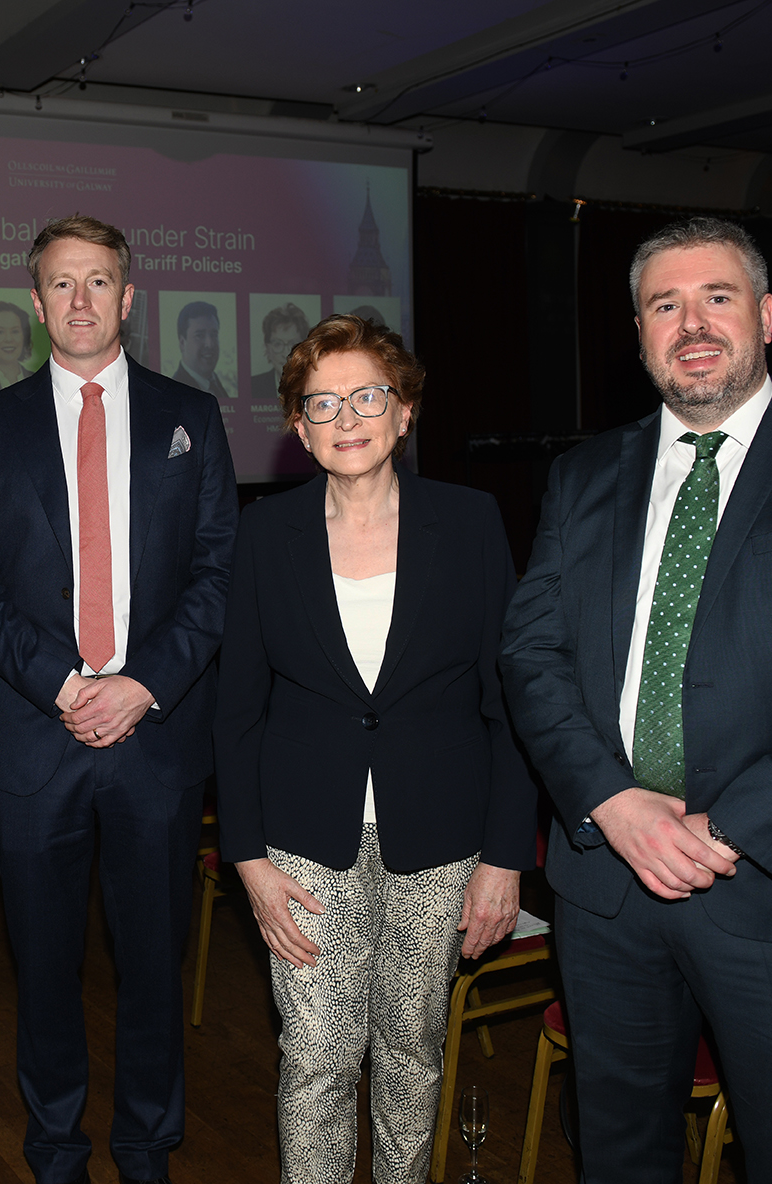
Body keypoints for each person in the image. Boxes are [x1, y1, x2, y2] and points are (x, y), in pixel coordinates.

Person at [500, 217, 772, 1183]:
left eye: (718, 297)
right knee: (618, 1151)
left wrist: (729, 826)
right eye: (666, 304)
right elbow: (531, 654)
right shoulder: (582, 477)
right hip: (608, 879)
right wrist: (613, 804)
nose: (692, 323)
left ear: (768, 316)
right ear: (638, 332)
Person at [0, 214, 238, 1184]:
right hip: (35, 737)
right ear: (34, 303)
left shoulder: (190, 412)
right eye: (61, 284)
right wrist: (67, 683)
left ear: (128, 294)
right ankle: (54, 1146)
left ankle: (149, 1144)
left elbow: (215, 571)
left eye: (98, 281)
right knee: (46, 966)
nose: (79, 300)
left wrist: (142, 682)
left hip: (154, 739)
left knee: (154, 964)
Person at [213, 314, 534, 1184]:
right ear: (298, 427)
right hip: (301, 841)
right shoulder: (263, 534)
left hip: (440, 838)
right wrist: (245, 857)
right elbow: (236, 709)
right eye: (322, 403)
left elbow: (510, 706)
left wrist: (505, 859)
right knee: (315, 1055)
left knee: (411, 1048)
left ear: (405, 412)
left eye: (367, 396)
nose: (346, 417)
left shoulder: (470, 523)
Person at [170, 299, 230, 398]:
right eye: (200, 335)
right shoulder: (174, 392)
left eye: (214, 335)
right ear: (182, 343)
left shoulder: (215, 383)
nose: (209, 344)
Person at [248, 302, 309, 396]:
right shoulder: (253, 385)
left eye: (292, 344)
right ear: (268, 348)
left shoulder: (315, 384)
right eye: (278, 344)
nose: (285, 353)